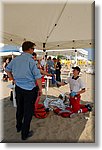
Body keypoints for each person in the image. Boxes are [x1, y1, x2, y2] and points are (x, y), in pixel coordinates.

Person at [5, 41, 42, 140]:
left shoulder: (16, 59)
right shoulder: (31, 61)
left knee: (20, 109)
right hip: (29, 89)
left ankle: (18, 127)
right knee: (28, 112)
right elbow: (38, 77)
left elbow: (7, 69)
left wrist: (13, 79)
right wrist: (40, 89)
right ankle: (24, 134)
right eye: (33, 49)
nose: (33, 50)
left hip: (19, 88)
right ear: (29, 49)